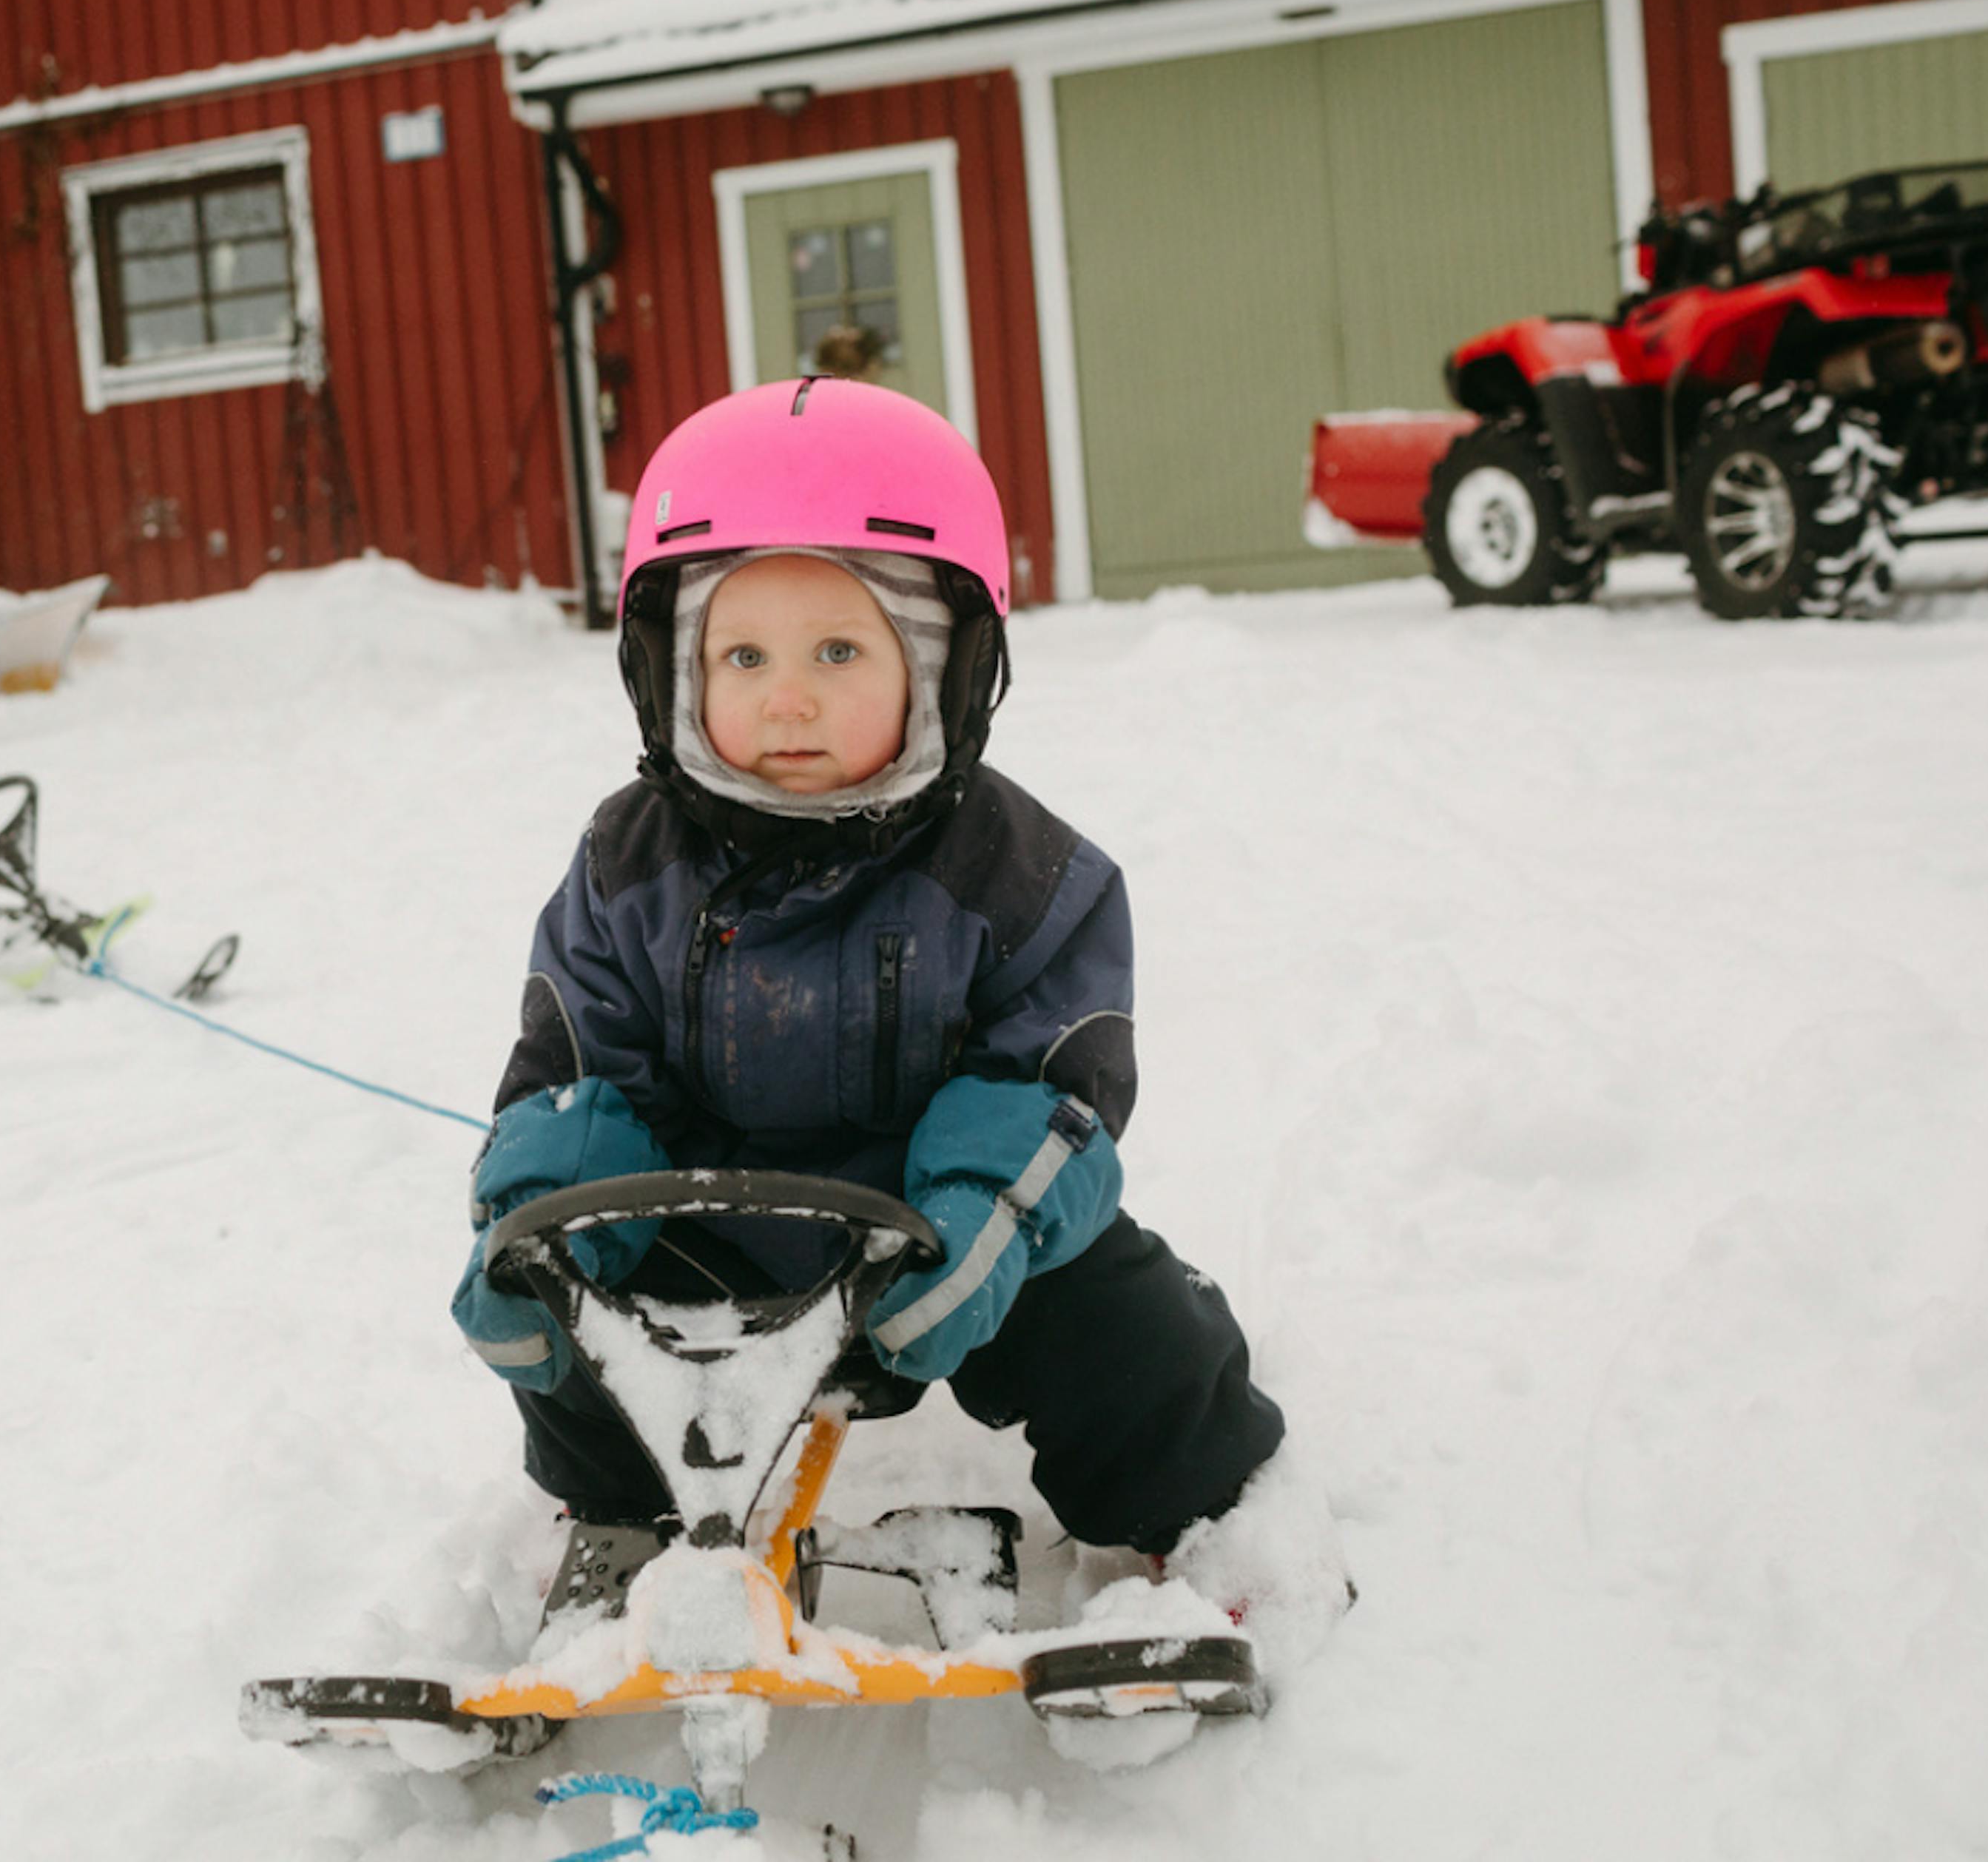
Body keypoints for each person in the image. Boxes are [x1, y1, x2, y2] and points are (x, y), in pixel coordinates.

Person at [451, 376, 1351, 1682]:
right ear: (671, 669)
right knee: (571, 1326)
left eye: (839, 651)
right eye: (743, 656)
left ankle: (1212, 1524)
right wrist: (540, 1228)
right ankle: (619, 1522)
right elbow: (580, 1073)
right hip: (703, 1235)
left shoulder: (1027, 874)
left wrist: (985, 1225)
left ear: (945, 667)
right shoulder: (624, 866)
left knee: (1125, 1324)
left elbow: (1050, 1088)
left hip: (950, 1252)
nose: (789, 699)